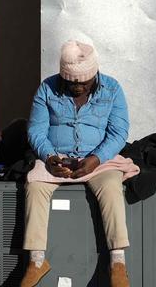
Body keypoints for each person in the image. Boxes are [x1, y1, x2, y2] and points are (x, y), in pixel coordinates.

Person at [20, 39, 132, 287]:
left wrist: (96, 159)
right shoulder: (46, 89)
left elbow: (118, 132)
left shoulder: (112, 89)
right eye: (70, 82)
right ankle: (37, 261)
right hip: (56, 159)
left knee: (113, 187)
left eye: (82, 82)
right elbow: (37, 131)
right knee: (35, 187)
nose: (76, 86)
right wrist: (49, 158)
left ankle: (118, 263)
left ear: (93, 75)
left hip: (98, 161)